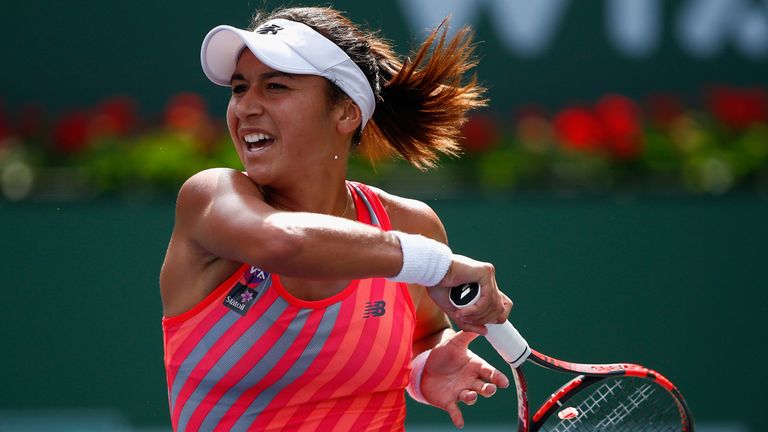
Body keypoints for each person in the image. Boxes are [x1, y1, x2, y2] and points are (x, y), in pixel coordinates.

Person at [160, 6, 513, 431]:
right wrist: (438, 263)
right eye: (239, 88)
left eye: (274, 86)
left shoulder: (411, 227)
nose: (245, 107)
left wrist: (422, 368)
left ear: (345, 112)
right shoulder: (210, 199)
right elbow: (284, 243)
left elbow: (421, 334)